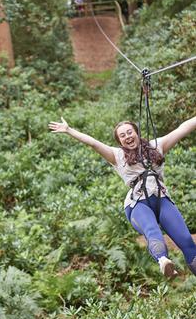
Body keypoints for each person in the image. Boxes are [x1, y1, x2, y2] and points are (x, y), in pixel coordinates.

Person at [48, 116, 196, 278]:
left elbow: (183, 128)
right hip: (137, 205)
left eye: (129, 132)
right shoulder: (117, 155)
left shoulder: (157, 146)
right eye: (123, 135)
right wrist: (69, 131)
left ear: (137, 133)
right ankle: (163, 261)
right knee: (152, 231)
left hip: (161, 199)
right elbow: (93, 143)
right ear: (119, 141)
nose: (128, 137)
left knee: (187, 242)